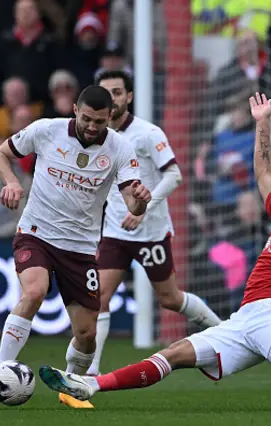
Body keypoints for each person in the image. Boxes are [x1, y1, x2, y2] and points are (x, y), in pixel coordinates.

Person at [37, 93, 271, 412]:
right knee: (174, 354)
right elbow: (263, 172)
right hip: (245, 319)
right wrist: (263, 122)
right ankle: (90, 384)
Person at [0, 85, 151, 409]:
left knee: (87, 334)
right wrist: (11, 182)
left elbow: (131, 201)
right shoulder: (47, 130)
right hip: (36, 232)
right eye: (86, 118)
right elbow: (0, 154)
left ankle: (69, 387)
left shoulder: (120, 148)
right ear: (75, 110)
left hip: (81, 247)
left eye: (99, 121)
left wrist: (139, 204)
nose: (92, 126)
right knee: (34, 291)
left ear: (110, 117)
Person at [87, 70, 221, 375]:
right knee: (99, 296)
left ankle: (225, 336)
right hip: (115, 231)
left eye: (118, 92)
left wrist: (143, 210)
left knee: (170, 299)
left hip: (150, 231)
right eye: (106, 93)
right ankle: (89, 371)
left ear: (129, 97)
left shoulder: (148, 133)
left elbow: (174, 175)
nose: (112, 98)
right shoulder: (97, 136)